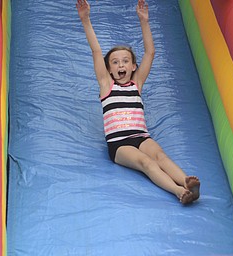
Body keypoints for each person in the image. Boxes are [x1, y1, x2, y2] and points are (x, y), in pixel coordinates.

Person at [76, 0, 200, 204]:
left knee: (160, 156)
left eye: (125, 61)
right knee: (146, 162)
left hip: (141, 136)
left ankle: (186, 181)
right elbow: (97, 52)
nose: (120, 65)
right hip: (120, 144)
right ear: (108, 69)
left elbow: (150, 53)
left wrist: (144, 21)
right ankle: (178, 191)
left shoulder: (137, 84)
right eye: (115, 62)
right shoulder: (107, 86)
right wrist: (85, 20)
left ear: (134, 66)